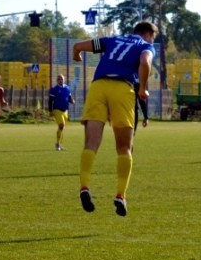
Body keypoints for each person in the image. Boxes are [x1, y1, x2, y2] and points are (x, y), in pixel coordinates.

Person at [72, 20, 157, 216]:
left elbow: (80, 46)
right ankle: (120, 195)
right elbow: (145, 62)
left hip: (98, 87)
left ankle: (84, 187)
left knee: (91, 143)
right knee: (124, 148)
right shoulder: (145, 45)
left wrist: (76, 53)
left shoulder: (112, 39)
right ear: (147, 34)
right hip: (122, 88)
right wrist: (143, 88)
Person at [47, 74, 74, 150]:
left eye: (61, 79)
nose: (60, 80)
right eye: (59, 79)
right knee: (61, 125)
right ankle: (58, 144)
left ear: (64, 79)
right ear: (57, 80)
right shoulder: (54, 89)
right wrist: (51, 111)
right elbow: (50, 100)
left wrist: (72, 100)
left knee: (62, 128)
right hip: (57, 110)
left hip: (65, 110)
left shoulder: (67, 88)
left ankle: (59, 143)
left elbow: (69, 97)